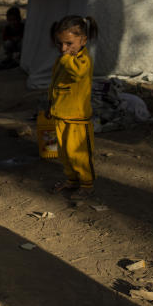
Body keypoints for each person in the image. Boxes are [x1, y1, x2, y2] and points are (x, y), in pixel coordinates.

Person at [46, 15, 98, 199]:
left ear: (83, 40)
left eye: (69, 43)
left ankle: (87, 184)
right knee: (65, 153)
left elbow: (76, 74)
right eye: (60, 44)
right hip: (60, 115)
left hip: (77, 118)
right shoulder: (64, 59)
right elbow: (55, 84)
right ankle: (72, 180)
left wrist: (65, 58)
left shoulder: (83, 60)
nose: (63, 49)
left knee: (80, 154)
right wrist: (51, 105)